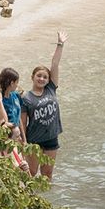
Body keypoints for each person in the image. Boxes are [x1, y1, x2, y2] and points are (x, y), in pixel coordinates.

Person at [19, 32, 66, 180]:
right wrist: (24, 143)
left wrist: (60, 44)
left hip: (51, 138)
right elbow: (23, 123)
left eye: (45, 77)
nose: (42, 79)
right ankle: (28, 198)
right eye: (39, 75)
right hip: (34, 140)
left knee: (47, 174)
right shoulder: (26, 98)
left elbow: (55, 64)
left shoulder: (51, 89)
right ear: (32, 77)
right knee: (31, 173)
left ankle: (45, 201)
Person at [0, 67, 24, 140]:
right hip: (5, 139)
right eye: (17, 82)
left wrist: (23, 138)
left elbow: (18, 117)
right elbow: (3, 122)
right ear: (12, 83)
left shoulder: (16, 95)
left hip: (17, 135)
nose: (17, 85)